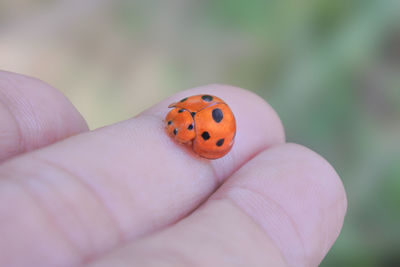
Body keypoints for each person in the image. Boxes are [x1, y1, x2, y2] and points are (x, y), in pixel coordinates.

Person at [0, 70, 347, 267]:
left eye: (179, 130)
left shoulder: (204, 133)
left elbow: (200, 130)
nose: (174, 131)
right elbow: (180, 115)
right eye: (175, 126)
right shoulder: (181, 118)